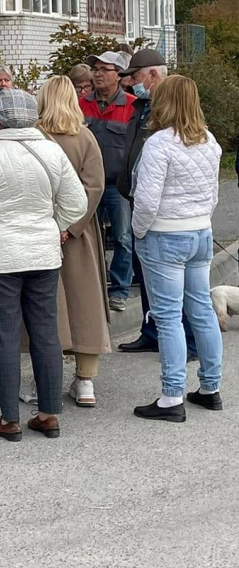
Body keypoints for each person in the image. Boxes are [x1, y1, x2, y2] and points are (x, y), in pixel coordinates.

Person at [0, 89, 87, 442]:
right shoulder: (52, 151)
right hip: (43, 252)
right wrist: (54, 225)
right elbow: (77, 203)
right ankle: (48, 415)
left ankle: (9, 419)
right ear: (34, 119)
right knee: (46, 332)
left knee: (5, 336)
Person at [132, 75, 223, 422]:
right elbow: (213, 194)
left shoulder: (159, 144)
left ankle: (171, 396)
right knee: (201, 308)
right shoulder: (208, 140)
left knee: (168, 316)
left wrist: (140, 232)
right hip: (200, 231)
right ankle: (210, 387)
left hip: (165, 234)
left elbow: (146, 200)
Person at [36, 76, 111, 407]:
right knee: (85, 302)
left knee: (44, 304)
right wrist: (72, 224)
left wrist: (52, 222)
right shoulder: (85, 136)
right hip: (79, 233)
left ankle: (43, 378)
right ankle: (85, 382)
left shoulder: (35, 137)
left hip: (39, 230)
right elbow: (94, 186)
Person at [118, 50, 198, 358]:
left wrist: (140, 225)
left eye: (136, 77)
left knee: (180, 290)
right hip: (138, 201)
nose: (133, 83)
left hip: (163, 215)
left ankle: (186, 343)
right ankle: (151, 331)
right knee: (148, 279)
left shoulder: (172, 109)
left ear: (153, 75)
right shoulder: (141, 106)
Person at [80, 51, 136, 313]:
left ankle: (120, 289)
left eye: (104, 69)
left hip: (117, 185)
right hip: (88, 185)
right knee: (91, 238)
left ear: (119, 75)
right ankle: (96, 288)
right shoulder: (81, 104)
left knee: (123, 237)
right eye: (96, 69)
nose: (98, 74)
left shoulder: (132, 106)